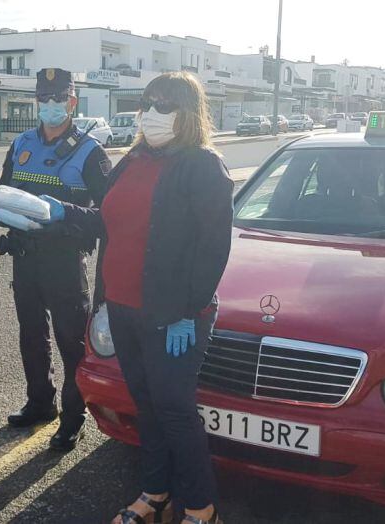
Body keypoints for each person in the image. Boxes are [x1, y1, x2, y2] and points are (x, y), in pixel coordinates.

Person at [36, 71, 233, 524]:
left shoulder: (202, 165)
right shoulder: (131, 160)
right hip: (123, 308)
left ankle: (202, 508)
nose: (152, 113)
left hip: (173, 316)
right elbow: (104, 220)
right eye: (147, 103)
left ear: (187, 113)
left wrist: (189, 309)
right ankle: (155, 493)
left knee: (175, 411)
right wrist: (59, 211)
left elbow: (213, 248)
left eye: (165, 104)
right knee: (146, 407)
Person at [0, 67, 111, 451]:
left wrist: (64, 220)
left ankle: (72, 418)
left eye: (58, 99)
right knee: (32, 336)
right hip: (25, 258)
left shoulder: (91, 153)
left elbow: (108, 218)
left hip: (64, 261)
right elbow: (4, 191)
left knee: (71, 343)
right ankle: (40, 402)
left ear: (72, 102)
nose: (50, 106)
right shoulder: (22, 144)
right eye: (44, 99)